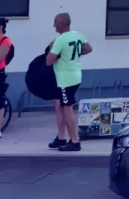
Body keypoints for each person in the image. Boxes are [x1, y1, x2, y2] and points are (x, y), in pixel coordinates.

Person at [45, 12, 92, 152]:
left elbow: (48, 61)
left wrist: (52, 47)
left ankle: (75, 141)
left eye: (55, 22)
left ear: (62, 23)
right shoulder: (78, 35)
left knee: (67, 109)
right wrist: (75, 54)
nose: (54, 25)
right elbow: (88, 49)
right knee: (59, 105)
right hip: (75, 75)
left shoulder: (60, 40)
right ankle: (61, 138)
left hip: (66, 80)